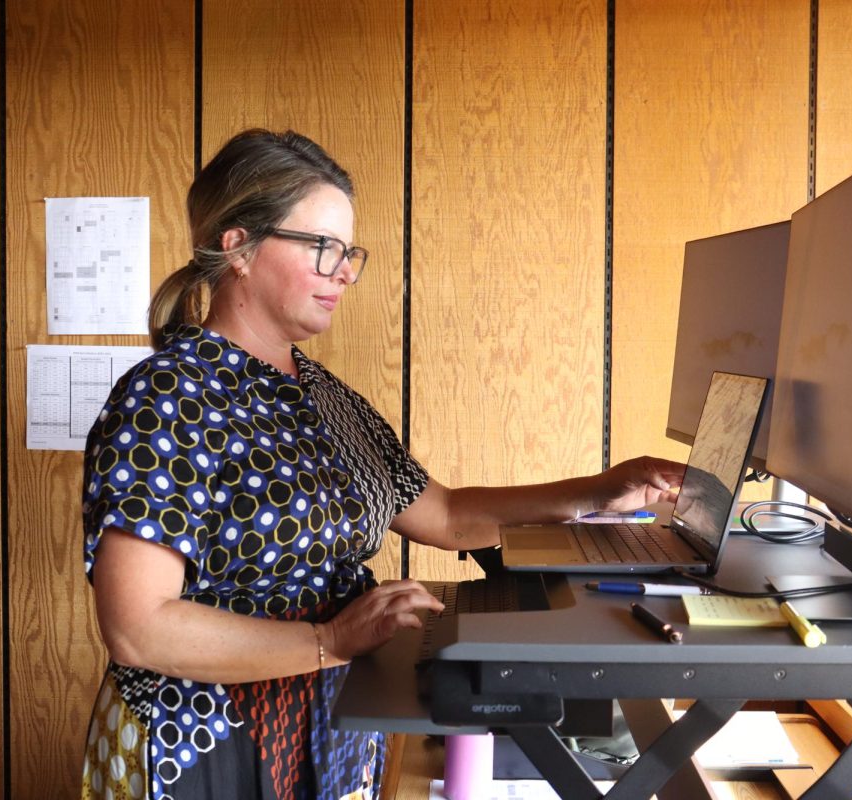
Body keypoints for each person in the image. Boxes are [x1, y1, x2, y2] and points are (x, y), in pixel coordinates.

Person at [79, 128, 686, 800]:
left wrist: (601, 489)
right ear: (239, 247)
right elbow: (138, 627)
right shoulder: (167, 395)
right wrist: (331, 638)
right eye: (323, 248)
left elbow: (449, 516)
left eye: (349, 252)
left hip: (328, 726)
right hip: (199, 748)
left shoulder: (325, 394)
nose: (344, 271)